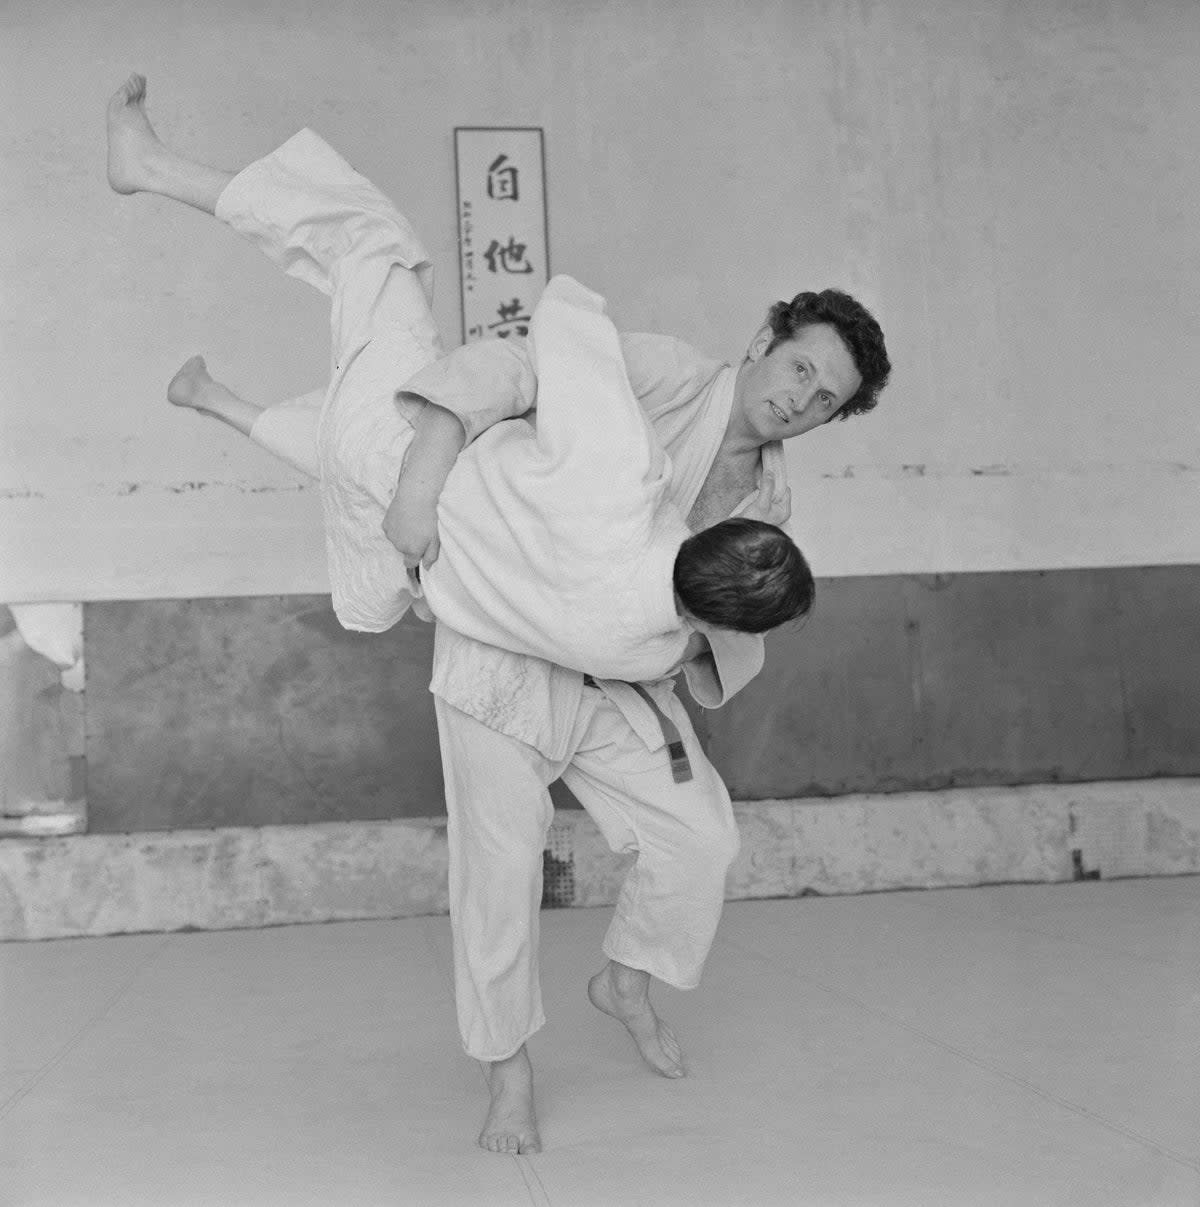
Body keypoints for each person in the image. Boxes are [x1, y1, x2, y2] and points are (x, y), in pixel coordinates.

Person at [107, 73, 891, 1155]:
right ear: (767, 338)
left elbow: (715, 636)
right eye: (800, 365)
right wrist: (427, 479)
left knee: (700, 834)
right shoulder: (665, 375)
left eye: (825, 398)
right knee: (501, 869)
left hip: (615, 676)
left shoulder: (771, 504)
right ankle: (508, 1071)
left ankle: (625, 977)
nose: (799, 397)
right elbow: (515, 367)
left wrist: (667, 659)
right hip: (494, 652)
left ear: (836, 417)